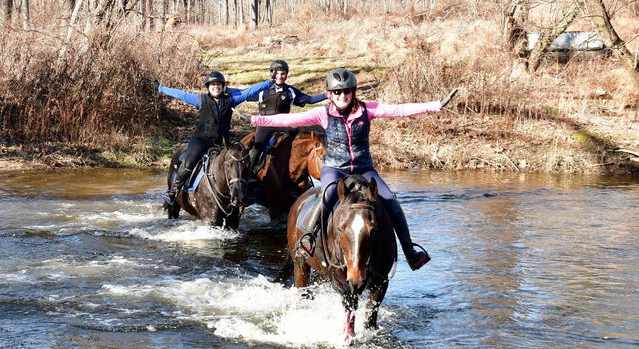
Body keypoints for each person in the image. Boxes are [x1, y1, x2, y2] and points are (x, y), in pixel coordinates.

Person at [250, 67, 456, 271]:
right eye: (337, 92)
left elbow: (399, 110)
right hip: (335, 168)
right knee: (327, 194)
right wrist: (257, 120)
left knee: (390, 199)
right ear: (330, 94)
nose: (342, 96)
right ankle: (307, 240)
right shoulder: (323, 114)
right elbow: (290, 119)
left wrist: (436, 105)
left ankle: (410, 250)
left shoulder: (368, 110)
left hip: (363, 168)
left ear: (353, 92)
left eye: (346, 91)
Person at [152, 71, 271, 205]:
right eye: (213, 85)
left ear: (222, 86)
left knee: (239, 163)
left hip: (223, 143)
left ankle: (244, 193)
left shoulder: (231, 99)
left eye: (218, 84)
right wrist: (160, 88)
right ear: (208, 87)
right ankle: (174, 190)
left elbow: (248, 92)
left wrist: (268, 83)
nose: (216, 87)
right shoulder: (201, 100)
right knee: (189, 161)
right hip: (201, 141)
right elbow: (181, 95)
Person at [246, 60, 326, 172]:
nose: (280, 76)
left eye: (283, 73)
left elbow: (310, 99)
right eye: (277, 73)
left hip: (283, 124)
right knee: (256, 150)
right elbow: (243, 94)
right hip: (264, 125)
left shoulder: (290, 91)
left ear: (286, 75)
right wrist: (226, 91)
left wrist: (327, 95)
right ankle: (249, 174)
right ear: (271, 74)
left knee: (291, 148)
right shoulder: (262, 90)